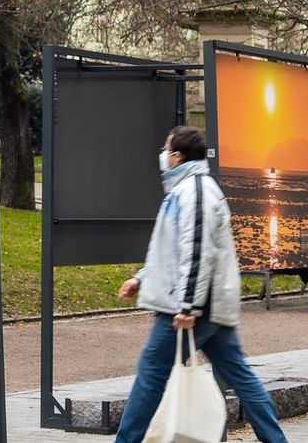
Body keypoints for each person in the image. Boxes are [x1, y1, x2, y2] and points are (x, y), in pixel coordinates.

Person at [114, 126, 288, 443]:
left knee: (151, 372)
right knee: (240, 375)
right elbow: (174, 253)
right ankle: (276, 441)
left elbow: (197, 253)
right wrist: (141, 278)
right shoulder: (192, 190)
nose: (163, 156)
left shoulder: (193, 192)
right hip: (209, 304)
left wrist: (188, 307)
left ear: (177, 156)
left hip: (191, 308)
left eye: (166, 149)